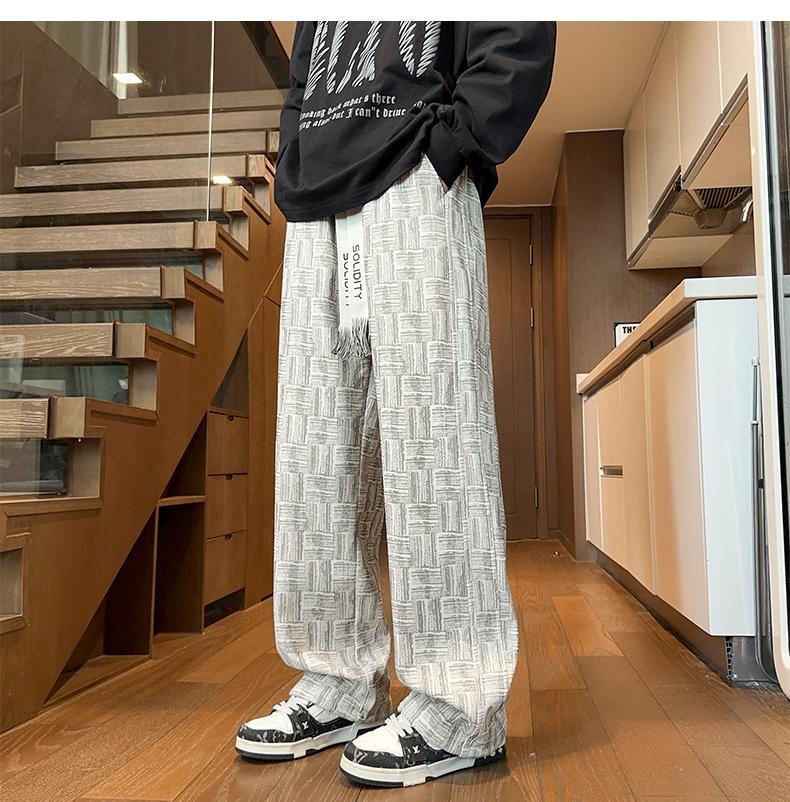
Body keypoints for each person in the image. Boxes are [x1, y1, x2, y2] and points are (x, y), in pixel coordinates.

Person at [236, 20, 556, 788]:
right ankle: (340, 680)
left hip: (417, 172)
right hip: (318, 203)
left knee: (435, 441)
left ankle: (460, 701)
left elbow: (518, 35)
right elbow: (304, 78)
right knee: (318, 455)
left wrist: (452, 145)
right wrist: (294, 164)